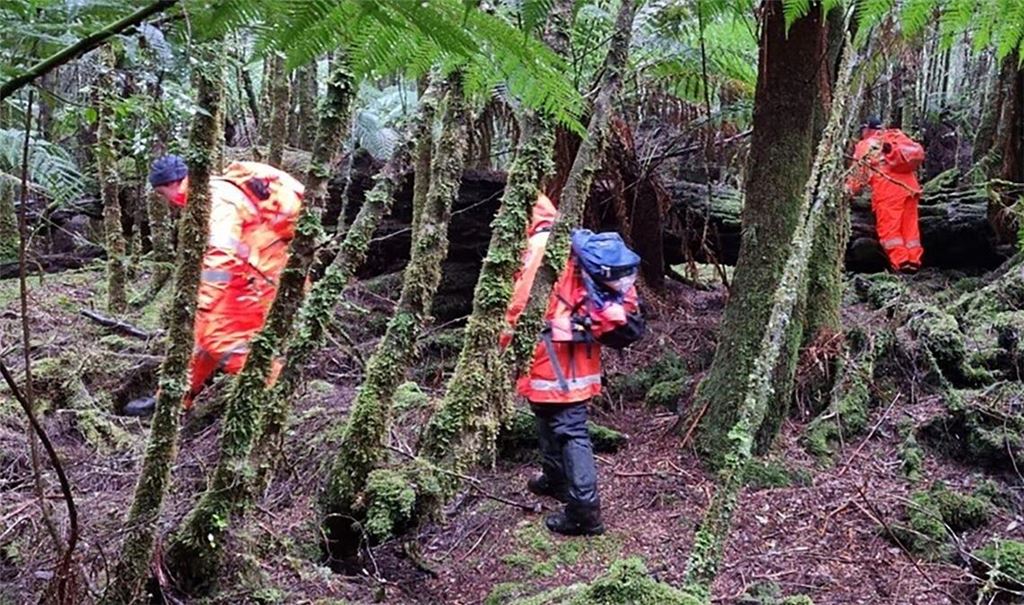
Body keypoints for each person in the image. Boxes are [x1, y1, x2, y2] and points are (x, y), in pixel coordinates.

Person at [500, 193, 639, 536]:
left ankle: (584, 511)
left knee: (570, 427)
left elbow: (519, 304)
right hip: (575, 351)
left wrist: (503, 344)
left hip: (554, 354)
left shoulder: (538, 248)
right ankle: (556, 479)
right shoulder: (567, 241)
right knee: (547, 414)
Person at [122, 155, 304, 416]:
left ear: (173, 184)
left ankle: (279, 397)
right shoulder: (207, 196)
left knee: (223, 343)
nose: (166, 201)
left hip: (256, 281)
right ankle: (172, 399)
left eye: (162, 193)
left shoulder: (218, 199)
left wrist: (205, 301)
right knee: (200, 338)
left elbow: (221, 252)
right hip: (244, 278)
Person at [847, 117, 925, 274]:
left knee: (890, 230)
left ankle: (901, 262)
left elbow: (860, 174)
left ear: (868, 129)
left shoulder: (867, 145)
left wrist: (848, 190)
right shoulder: (895, 137)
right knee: (910, 229)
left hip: (888, 190)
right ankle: (914, 260)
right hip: (910, 188)